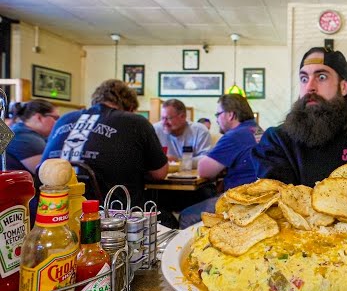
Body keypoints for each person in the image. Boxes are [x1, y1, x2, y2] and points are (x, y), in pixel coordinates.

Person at [251, 46, 347, 194]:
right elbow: (274, 209)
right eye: (304, 78)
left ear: (343, 87)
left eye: (321, 77)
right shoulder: (276, 142)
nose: (309, 87)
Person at [41, 79, 168, 208]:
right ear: (130, 108)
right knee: (169, 217)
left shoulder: (64, 119)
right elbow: (160, 174)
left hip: (53, 210)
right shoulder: (136, 122)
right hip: (114, 216)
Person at [178, 94, 260, 228]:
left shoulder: (235, 135)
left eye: (218, 114)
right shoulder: (257, 130)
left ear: (230, 115)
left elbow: (204, 170)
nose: (216, 120)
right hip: (259, 199)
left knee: (186, 215)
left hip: (241, 202)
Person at [5, 99, 60, 224]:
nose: (57, 123)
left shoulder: (22, 132)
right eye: (55, 118)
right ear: (39, 117)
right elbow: (47, 173)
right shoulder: (25, 137)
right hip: (19, 203)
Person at [153, 99, 212, 165]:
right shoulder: (155, 130)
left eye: (168, 118)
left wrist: (179, 161)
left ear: (183, 116)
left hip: (192, 174)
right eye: (162, 118)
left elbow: (206, 159)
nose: (164, 122)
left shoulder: (200, 131)